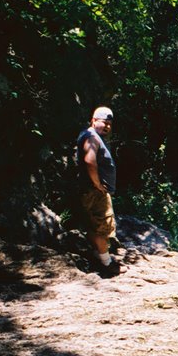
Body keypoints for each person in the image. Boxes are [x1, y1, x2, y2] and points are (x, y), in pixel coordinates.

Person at [77, 106, 121, 275]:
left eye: (110, 124)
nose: (108, 126)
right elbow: (89, 161)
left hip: (92, 190)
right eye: (104, 122)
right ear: (94, 121)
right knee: (102, 227)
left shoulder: (92, 136)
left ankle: (98, 255)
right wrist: (97, 184)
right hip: (95, 192)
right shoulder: (91, 137)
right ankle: (107, 264)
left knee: (94, 225)